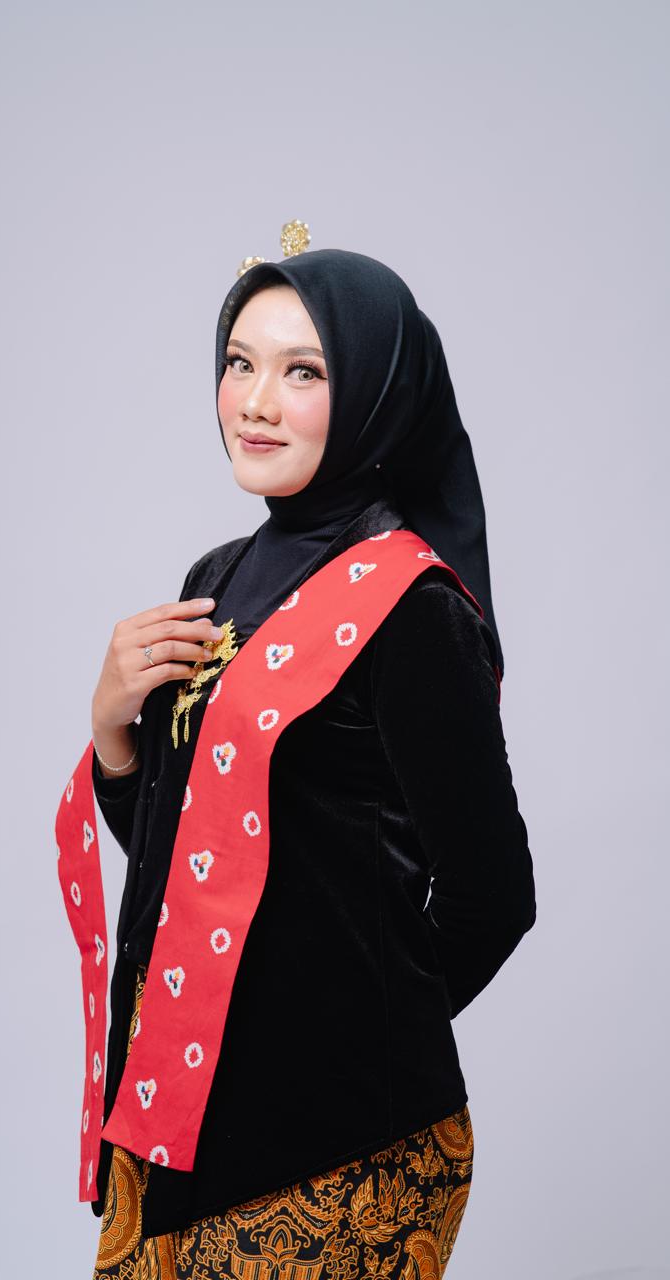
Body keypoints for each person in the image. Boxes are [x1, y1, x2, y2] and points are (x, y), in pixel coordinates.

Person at [74, 227, 537, 1278]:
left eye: (303, 372)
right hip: (175, 1116)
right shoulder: (216, 577)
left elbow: (492, 897)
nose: (255, 402)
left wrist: (337, 1044)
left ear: (375, 389)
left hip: (336, 1149)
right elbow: (188, 862)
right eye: (239, 361)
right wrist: (112, 731)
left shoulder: (409, 606)